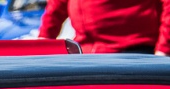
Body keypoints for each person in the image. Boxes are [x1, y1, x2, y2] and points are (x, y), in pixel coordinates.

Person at [37, 0, 170, 54]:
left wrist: (163, 50)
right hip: (84, 53)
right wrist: (43, 41)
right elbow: (56, 7)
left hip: (134, 54)